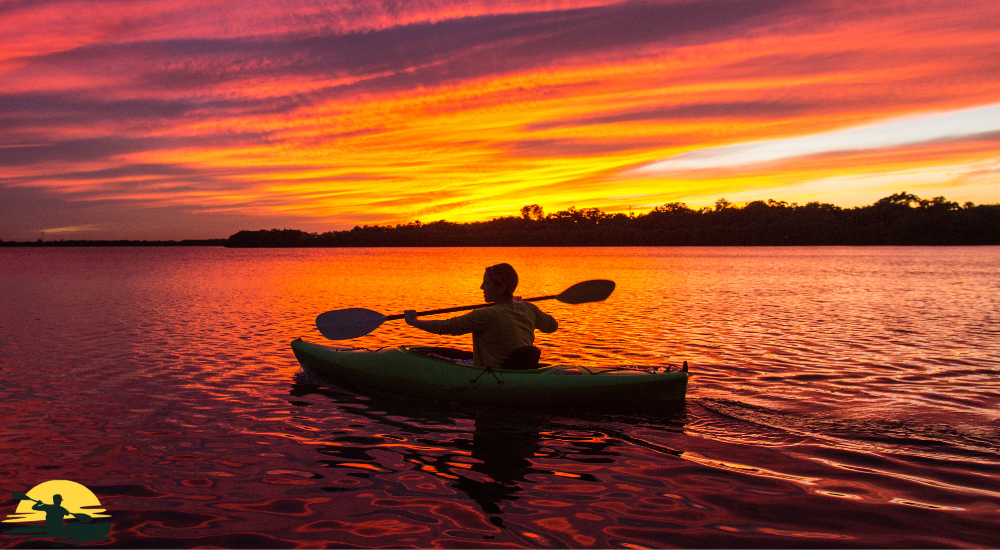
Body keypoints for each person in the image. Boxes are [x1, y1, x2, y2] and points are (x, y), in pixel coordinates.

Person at [404, 263, 558, 369]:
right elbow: (552, 326)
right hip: (519, 369)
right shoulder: (529, 309)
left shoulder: (486, 315)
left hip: (495, 374)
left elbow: (447, 327)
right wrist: (522, 304)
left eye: (487, 283)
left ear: (502, 288)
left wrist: (413, 321)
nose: (481, 287)